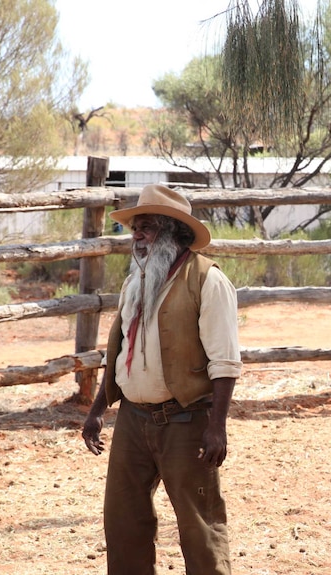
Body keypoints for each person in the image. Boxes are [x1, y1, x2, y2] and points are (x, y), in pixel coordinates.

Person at [82, 184, 242, 575]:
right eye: (135, 228)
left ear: (175, 232)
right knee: (123, 523)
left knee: (199, 528)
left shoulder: (207, 280)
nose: (137, 236)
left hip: (187, 421)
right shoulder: (134, 281)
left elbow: (225, 362)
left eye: (148, 227)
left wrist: (217, 427)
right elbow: (118, 352)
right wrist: (98, 409)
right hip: (133, 420)